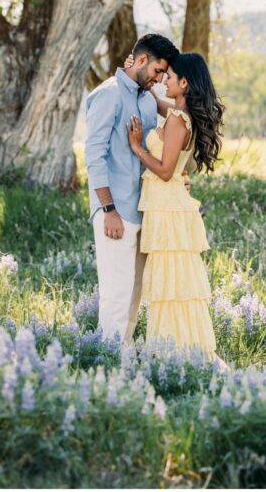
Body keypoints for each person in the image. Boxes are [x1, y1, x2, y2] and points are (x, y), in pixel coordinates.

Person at [127, 52, 225, 356]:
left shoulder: (178, 121)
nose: (164, 80)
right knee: (173, 282)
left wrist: (137, 147)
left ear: (184, 82)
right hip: (168, 205)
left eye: (169, 76)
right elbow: (159, 103)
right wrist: (137, 75)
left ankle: (174, 351)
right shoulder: (181, 115)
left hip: (167, 207)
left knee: (170, 282)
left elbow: (166, 170)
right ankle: (178, 347)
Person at [85, 33, 180, 344]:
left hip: (143, 211)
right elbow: (94, 156)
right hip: (116, 213)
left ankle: (122, 363)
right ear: (141, 61)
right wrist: (108, 210)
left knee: (133, 297)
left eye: (164, 75)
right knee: (116, 294)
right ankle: (108, 364)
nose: (160, 80)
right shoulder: (109, 95)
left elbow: (160, 143)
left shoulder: (145, 97)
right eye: (157, 72)